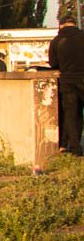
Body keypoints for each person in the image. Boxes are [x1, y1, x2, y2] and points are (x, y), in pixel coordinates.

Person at [49, 16, 84, 155]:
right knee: (79, 114)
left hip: (68, 81)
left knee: (71, 114)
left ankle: (76, 148)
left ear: (61, 25)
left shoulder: (57, 41)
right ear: (74, 24)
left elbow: (53, 63)